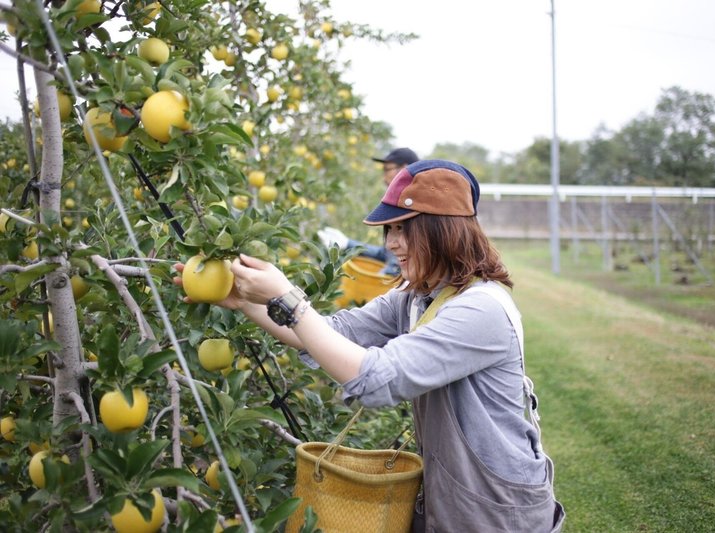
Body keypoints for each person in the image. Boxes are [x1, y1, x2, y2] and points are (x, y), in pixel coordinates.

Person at [175, 160, 565, 532]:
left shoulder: (480, 310)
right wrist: (243, 300)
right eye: (388, 232)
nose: (392, 244)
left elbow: (374, 380)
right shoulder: (417, 298)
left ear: (442, 230)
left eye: (403, 229)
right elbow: (326, 332)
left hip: (496, 511)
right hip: (452, 498)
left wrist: (287, 297)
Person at [317, 147, 419, 276]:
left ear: (404, 169)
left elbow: (404, 263)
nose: (384, 177)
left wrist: (384, 278)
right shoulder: (397, 204)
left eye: (387, 170)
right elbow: (387, 253)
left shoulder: (414, 208)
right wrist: (349, 244)